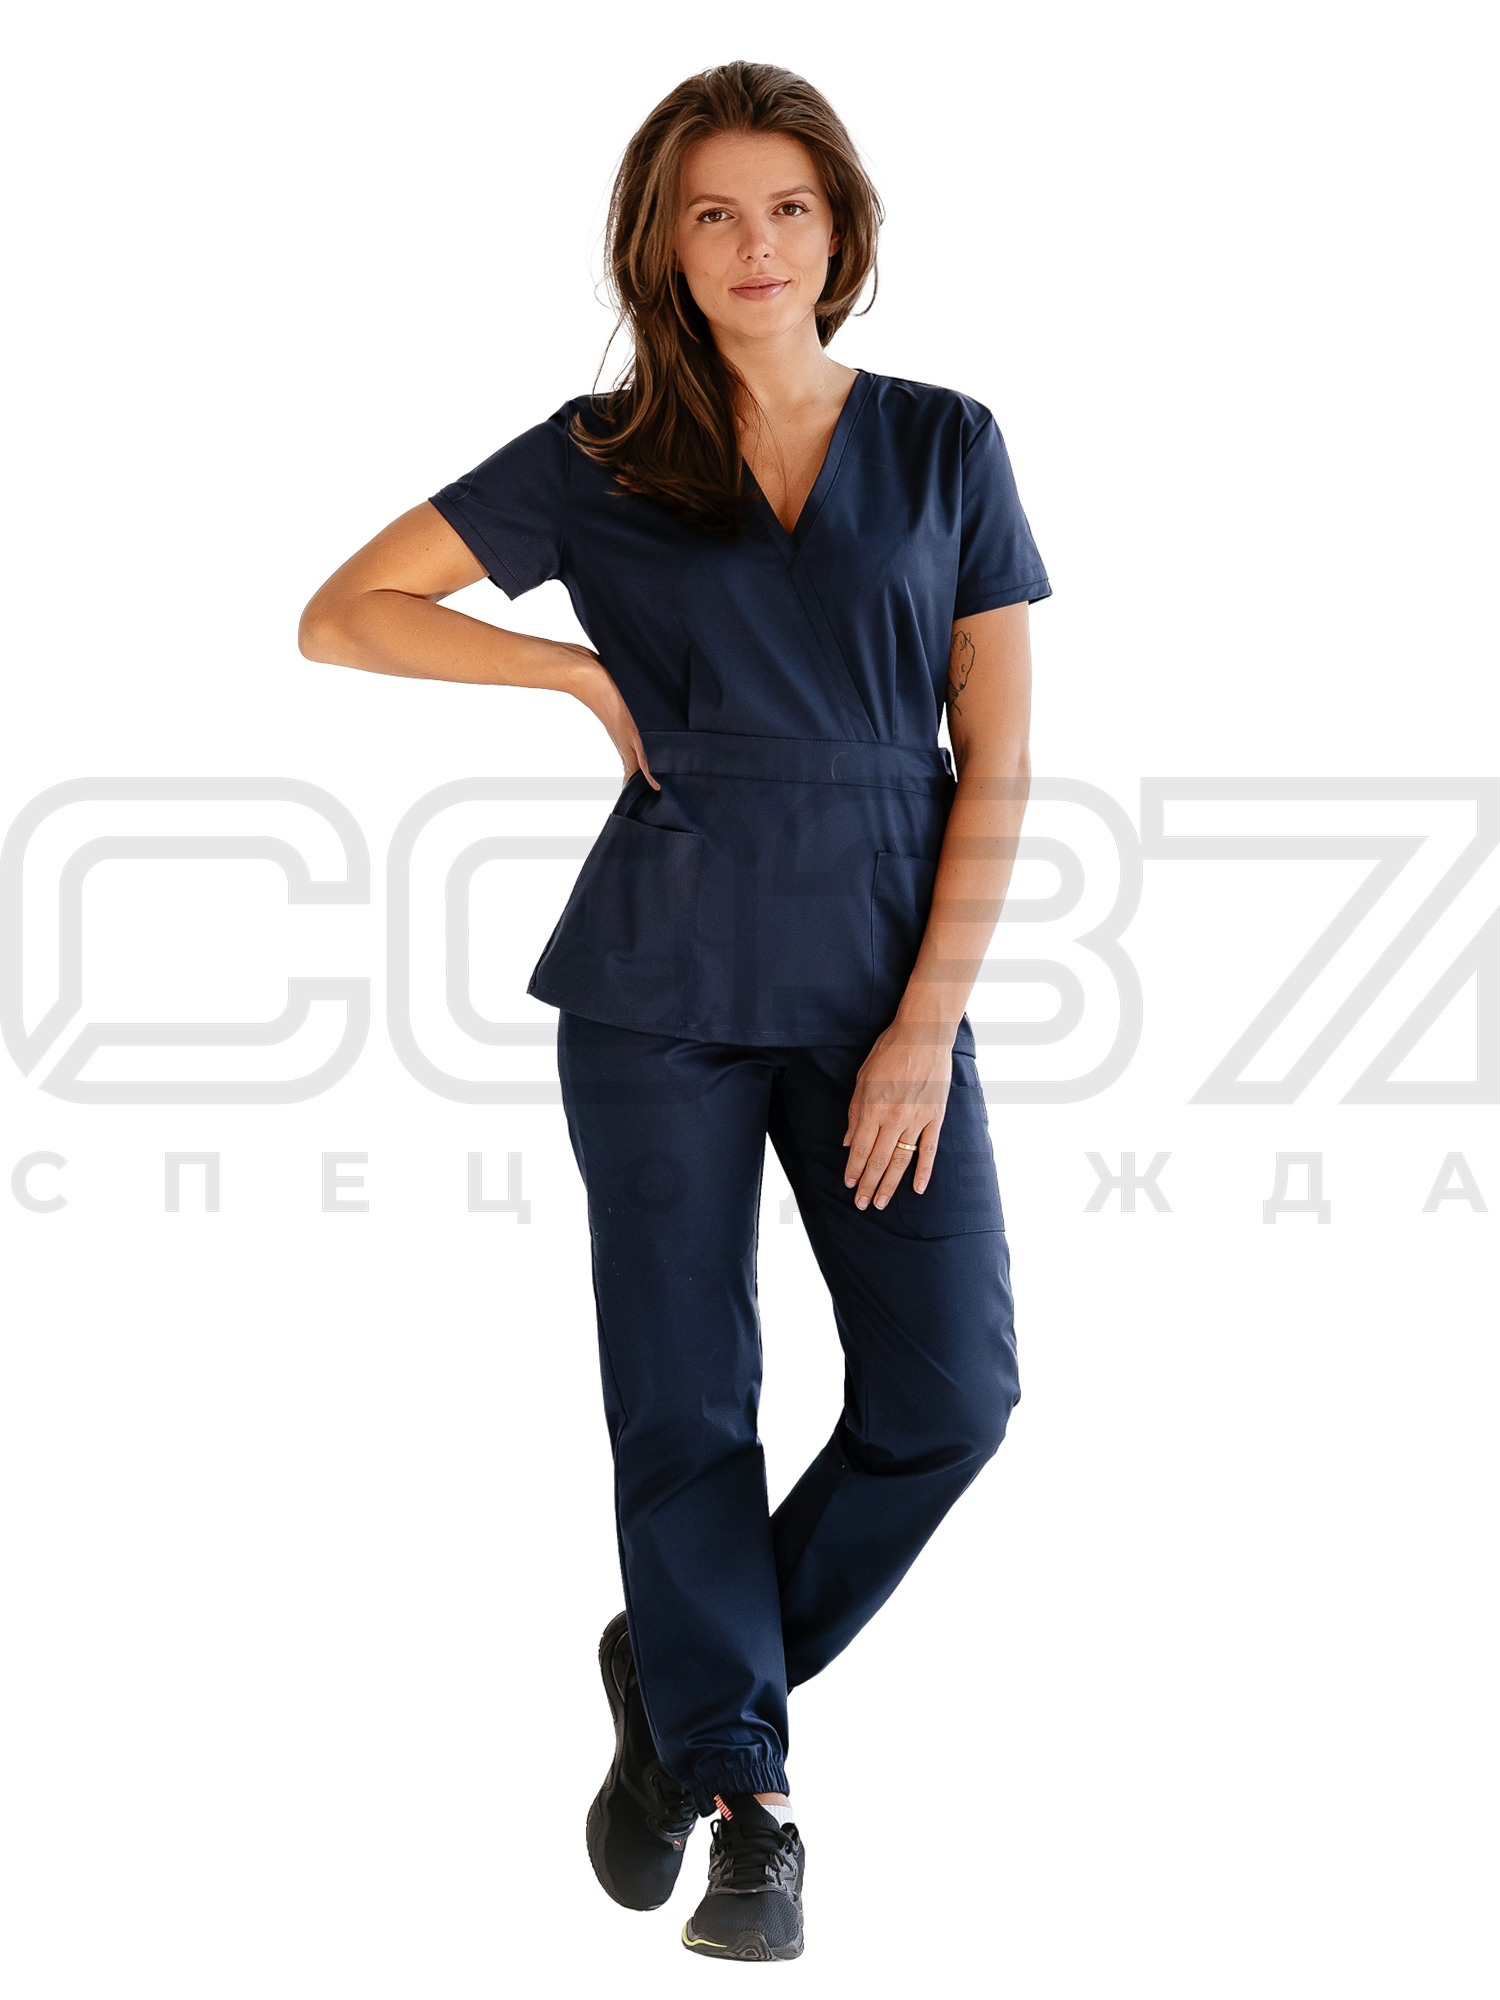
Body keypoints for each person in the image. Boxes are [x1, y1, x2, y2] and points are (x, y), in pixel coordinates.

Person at [299, 59, 1048, 1965]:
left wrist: (924, 1026)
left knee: (952, 1395)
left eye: (788, 207)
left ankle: (677, 1671)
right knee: (686, 1399)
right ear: (665, 243)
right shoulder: (603, 452)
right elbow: (345, 612)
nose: (754, 244)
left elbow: (1001, 756)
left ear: (840, 229)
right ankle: (746, 1802)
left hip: (880, 982)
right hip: (659, 988)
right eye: (713, 212)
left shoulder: (948, 445)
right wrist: (566, 672)